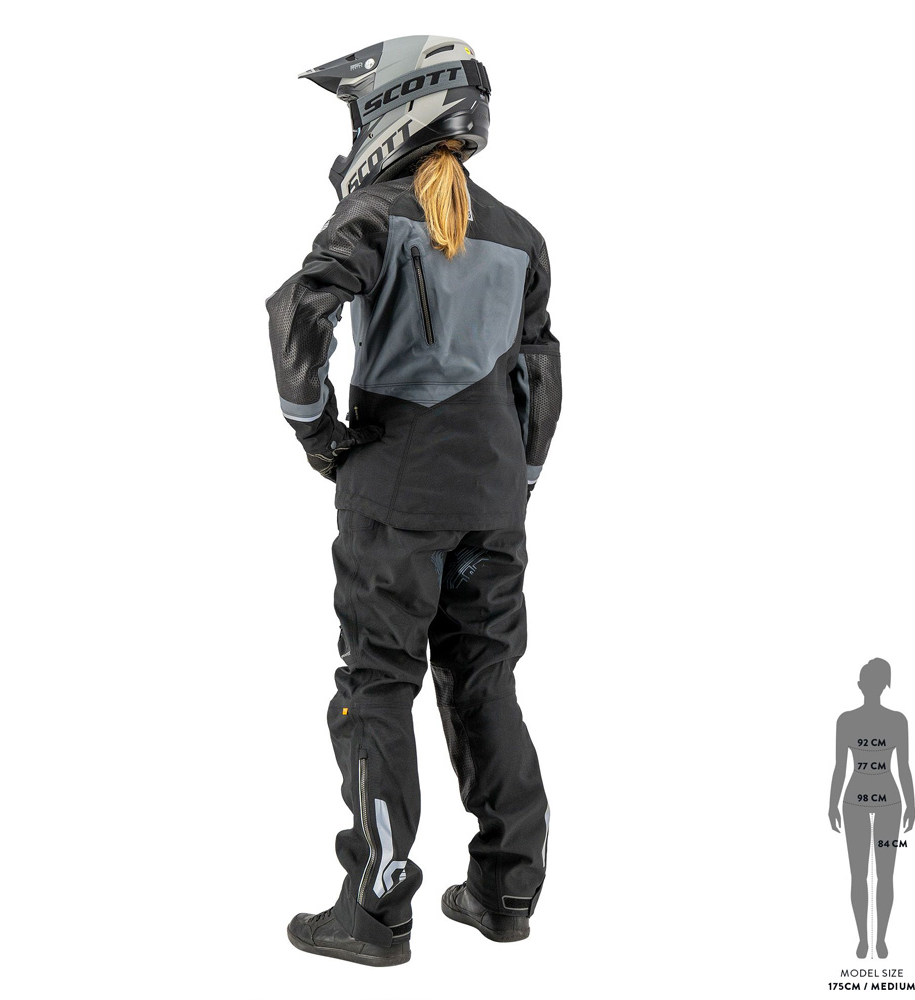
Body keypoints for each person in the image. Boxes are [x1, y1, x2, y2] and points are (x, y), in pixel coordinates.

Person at [266, 35, 561, 967]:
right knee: (485, 682)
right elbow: (542, 382)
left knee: (377, 686)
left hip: (395, 494)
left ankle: (377, 909)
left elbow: (296, 316)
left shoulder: (374, 213)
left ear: (397, 109)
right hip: (494, 502)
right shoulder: (520, 235)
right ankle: (506, 893)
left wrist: (318, 435)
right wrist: (515, 483)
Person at [828, 658, 915, 959]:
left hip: (881, 802)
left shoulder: (894, 721)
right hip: (863, 802)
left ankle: (877, 941)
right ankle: (866, 941)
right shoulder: (850, 721)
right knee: (866, 877)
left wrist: (912, 804)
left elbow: (903, 766)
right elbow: (840, 766)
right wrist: (831, 803)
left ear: (861, 685)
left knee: (877, 877)